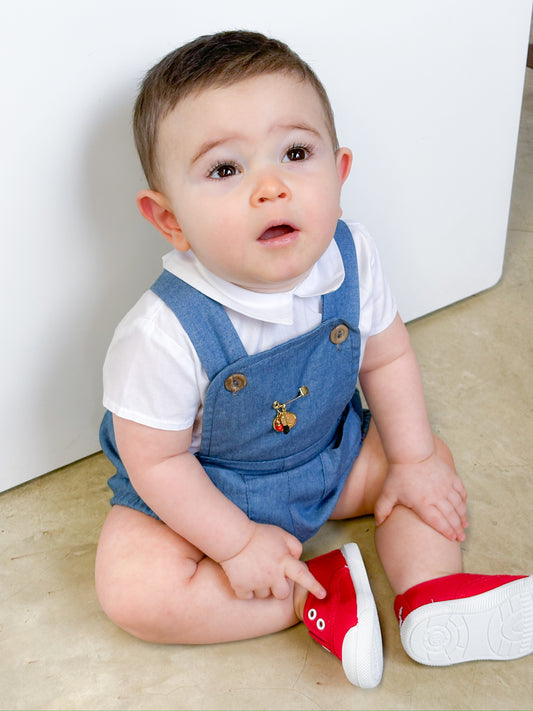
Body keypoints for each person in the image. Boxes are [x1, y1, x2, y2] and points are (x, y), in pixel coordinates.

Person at [95, 30, 533, 688]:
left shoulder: (350, 258)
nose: (270, 187)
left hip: (330, 457)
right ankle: (313, 594)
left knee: (423, 460)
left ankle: (430, 592)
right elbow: (155, 460)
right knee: (133, 589)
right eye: (224, 169)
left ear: (338, 171)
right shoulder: (161, 333)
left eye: (295, 153)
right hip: (203, 493)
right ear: (169, 220)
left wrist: (409, 460)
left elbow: (384, 360)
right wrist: (237, 543)